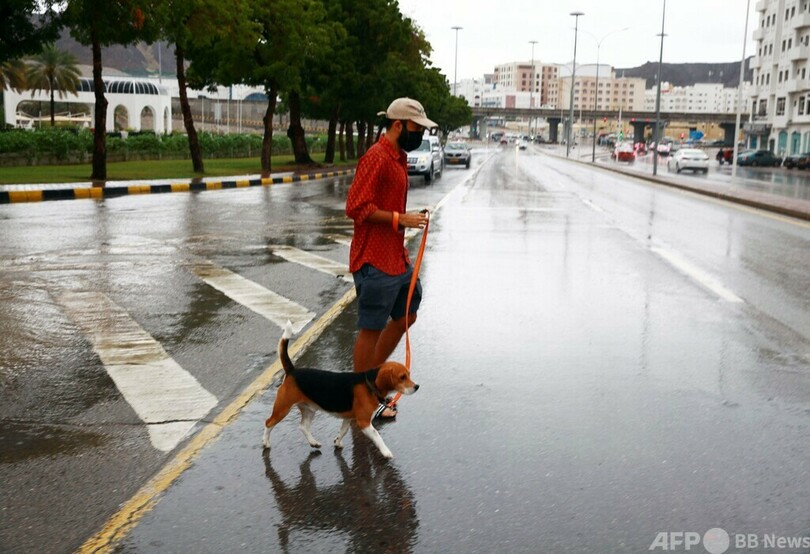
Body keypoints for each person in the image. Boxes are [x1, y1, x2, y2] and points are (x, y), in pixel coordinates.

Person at [345, 97, 435, 419]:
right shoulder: (376, 158)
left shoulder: (397, 157)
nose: (419, 135)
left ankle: (374, 381)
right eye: (416, 129)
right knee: (370, 328)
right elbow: (356, 208)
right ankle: (361, 401)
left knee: (406, 315)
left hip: (396, 257)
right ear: (398, 125)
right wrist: (401, 219)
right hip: (374, 259)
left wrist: (407, 218)